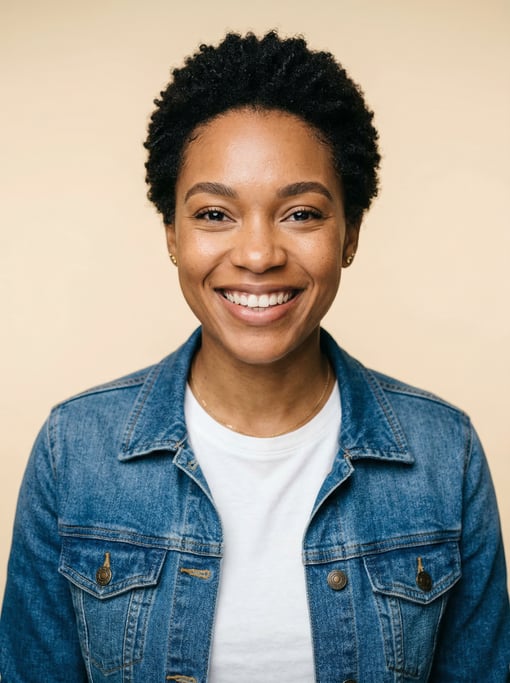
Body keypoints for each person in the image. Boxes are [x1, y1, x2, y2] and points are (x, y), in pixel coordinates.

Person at [0, 31, 508, 683]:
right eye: (215, 213)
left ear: (350, 232)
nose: (259, 253)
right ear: (172, 236)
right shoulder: (75, 451)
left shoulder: (445, 454)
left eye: (300, 212)